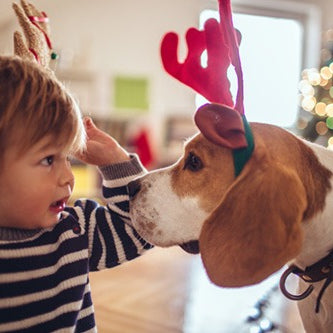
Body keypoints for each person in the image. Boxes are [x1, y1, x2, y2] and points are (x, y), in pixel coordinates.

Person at [0, 55, 153, 332]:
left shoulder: (73, 229)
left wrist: (116, 162)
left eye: (67, 158)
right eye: (48, 160)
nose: (68, 176)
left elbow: (142, 228)